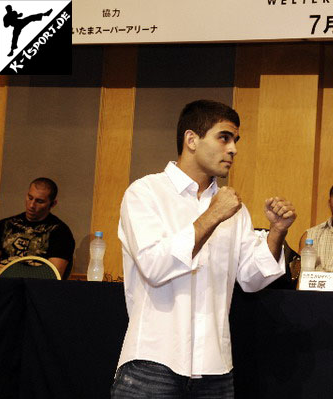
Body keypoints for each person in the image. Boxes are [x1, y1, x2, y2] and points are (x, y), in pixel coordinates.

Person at [111, 100, 297, 398]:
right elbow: (155, 267)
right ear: (191, 139)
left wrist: (277, 231)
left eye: (236, 140)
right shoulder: (145, 193)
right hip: (152, 361)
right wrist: (212, 215)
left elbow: (252, 279)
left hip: (215, 368)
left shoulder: (234, 208)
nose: (233, 149)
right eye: (224, 137)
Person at [0, 177, 75, 279]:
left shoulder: (60, 232)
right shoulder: (4, 225)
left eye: (39, 201)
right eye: (30, 198)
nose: (32, 205)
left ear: (53, 204)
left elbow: (54, 275)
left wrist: (10, 271)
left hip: (35, 290)